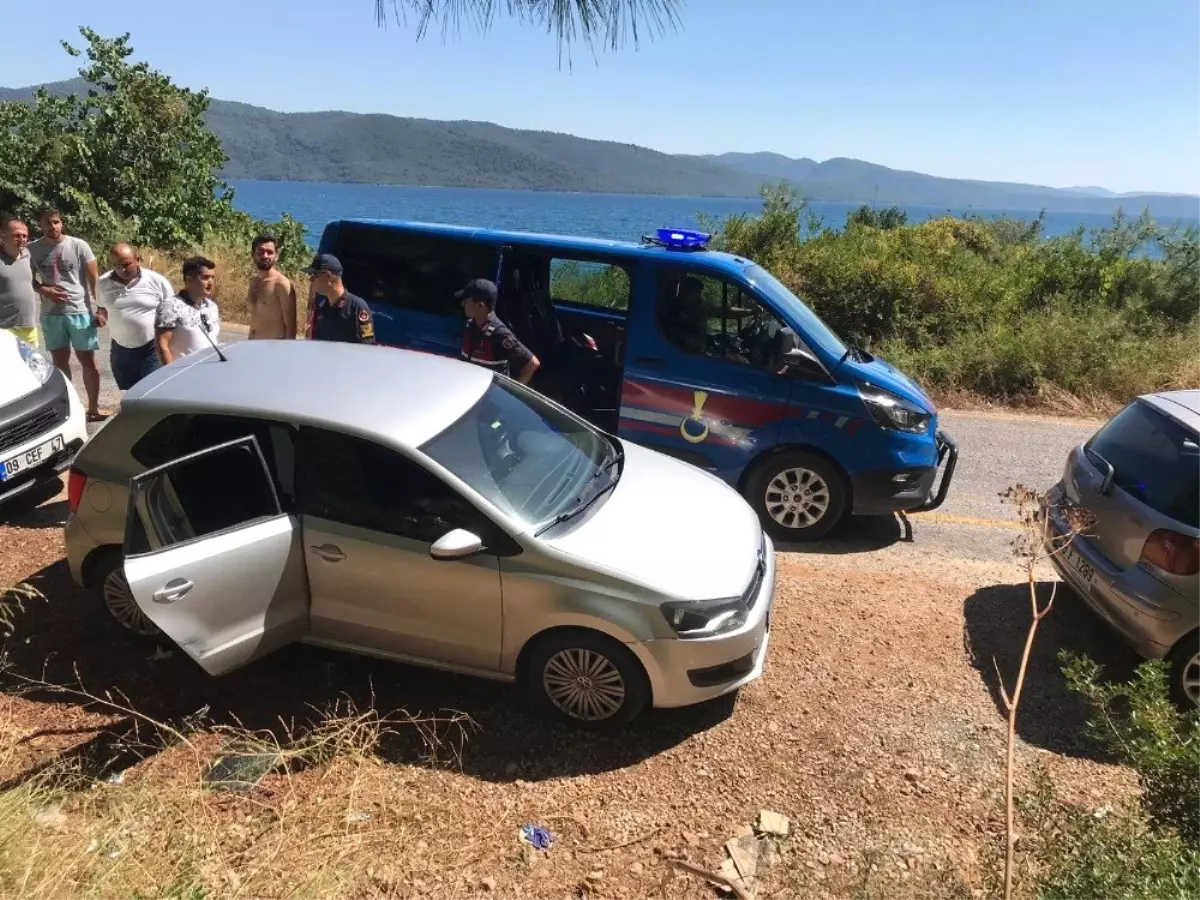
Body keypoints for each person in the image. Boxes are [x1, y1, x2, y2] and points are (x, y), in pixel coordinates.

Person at [28, 209, 105, 420]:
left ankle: (93, 408)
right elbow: (28, 279)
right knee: (60, 362)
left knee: (88, 360)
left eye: (56, 222)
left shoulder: (78, 245)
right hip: (51, 314)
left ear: (62, 223)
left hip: (79, 310)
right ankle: (71, 408)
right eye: (47, 223)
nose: (52, 227)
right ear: (40, 226)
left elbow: (94, 280)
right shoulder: (31, 249)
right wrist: (44, 290)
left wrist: (100, 308)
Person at [95, 243, 174, 389]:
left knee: (152, 390)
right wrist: (100, 316)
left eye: (126, 264)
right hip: (121, 349)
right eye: (116, 266)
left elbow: (172, 311)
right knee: (129, 393)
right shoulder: (102, 283)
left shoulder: (156, 281)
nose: (122, 270)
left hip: (152, 348)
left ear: (137, 259)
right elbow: (101, 307)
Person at [456, 278, 539, 384]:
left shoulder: (499, 334)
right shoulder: (469, 326)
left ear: (480, 305)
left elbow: (532, 363)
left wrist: (510, 393)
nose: (463, 305)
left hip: (489, 395)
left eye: (466, 301)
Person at [155, 256, 221, 365]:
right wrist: (170, 375)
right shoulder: (170, 306)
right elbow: (161, 345)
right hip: (183, 373)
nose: (211, 282)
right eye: (205, 277)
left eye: (212, 277)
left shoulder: (212, 307)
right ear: (189, 280)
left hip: (209, 370)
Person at [305, 254, 376, 344]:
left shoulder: (358, 308)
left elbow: (367, 347)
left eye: (313, 275)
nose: (310, 279)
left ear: (328, 276)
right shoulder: (323, 308)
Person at [246, 232, 297, 340]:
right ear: (253, 254)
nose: (265, 256)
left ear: (276, 256)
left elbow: (291, 327)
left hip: (273, 347)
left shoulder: (281, 284)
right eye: (261, 252)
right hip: (253, 344)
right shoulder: (254, 281)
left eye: (270, 252)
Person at [0, 213, 38, 348]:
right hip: (4, 329)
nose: (21, 239)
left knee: (30, 367)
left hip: (28, 327)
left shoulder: (27, 254)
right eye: (16, 235)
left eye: (24, 236)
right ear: (3, 235)